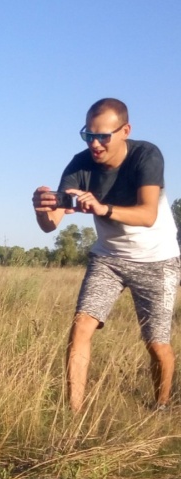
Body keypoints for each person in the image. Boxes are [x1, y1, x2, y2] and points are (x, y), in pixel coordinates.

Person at [32, 98, 181, 413]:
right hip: (108, 259)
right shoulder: (79, 165)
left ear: (125, 130)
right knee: (81, 326)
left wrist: (102, 208)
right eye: (89, 135)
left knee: (156, 344)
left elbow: (147, 214)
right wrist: (41, 209)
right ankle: (74, 413)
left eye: (104, 136)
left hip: (157, 259)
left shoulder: (146, 156)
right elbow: (51, 225)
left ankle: (162, 405)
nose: (95, 144)